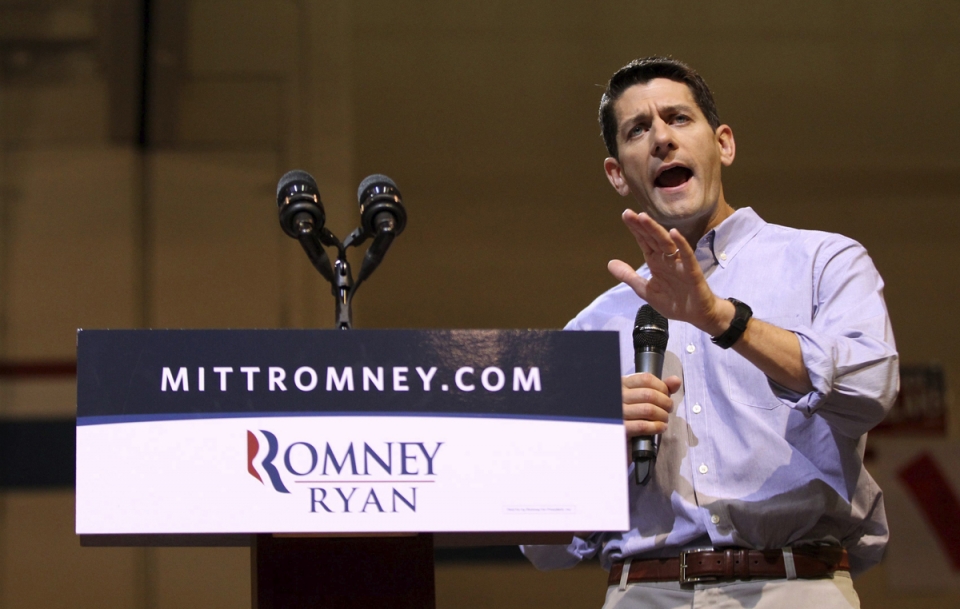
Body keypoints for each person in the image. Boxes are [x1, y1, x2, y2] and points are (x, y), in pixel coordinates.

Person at [521, 57, 898, 608]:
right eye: (638, 130)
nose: (662, 139)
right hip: (643, 593)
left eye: (678, 118)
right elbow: (543, 545)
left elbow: (871, 390)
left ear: (723, 143)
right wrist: (595, 445)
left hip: (795, 586)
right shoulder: (592, 327)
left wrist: (724, 319)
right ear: (618, 174)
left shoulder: (823, 262)